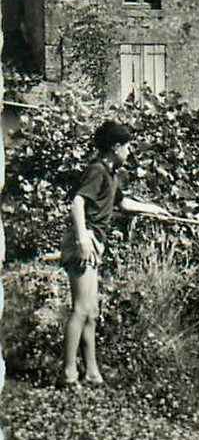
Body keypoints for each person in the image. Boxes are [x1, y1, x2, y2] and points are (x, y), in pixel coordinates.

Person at [60, 120, 169, 388]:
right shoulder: (97, 170)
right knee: (82, 309)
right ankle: (68, 373)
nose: (130, 152)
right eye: (128, 147)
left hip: (93, 242)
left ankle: (93, 372)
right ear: (115, 147)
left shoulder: (112, 174)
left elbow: (122, 203)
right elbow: (77, 203)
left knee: (92, 311)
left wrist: (154, 209)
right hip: (82, 243)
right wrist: (82, 238)